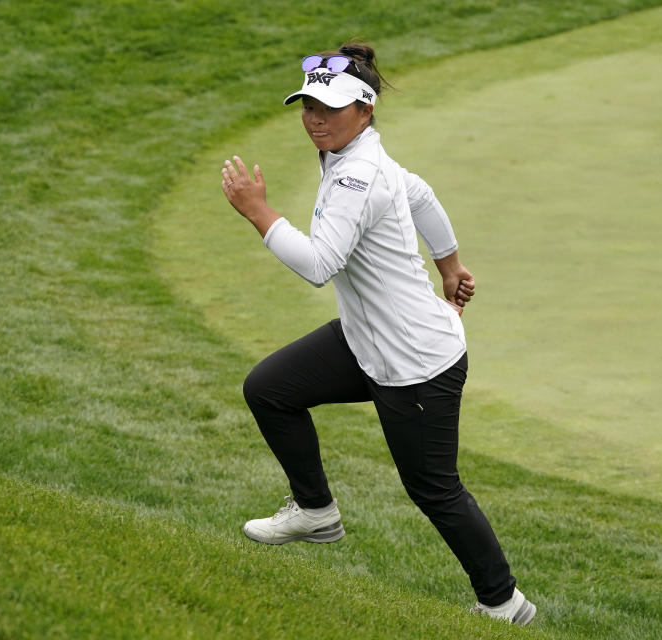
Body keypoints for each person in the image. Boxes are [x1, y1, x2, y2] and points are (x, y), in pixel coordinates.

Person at [220, 42, 536, 626]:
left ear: (364, 109)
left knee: (434, 490)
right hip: (369, 340)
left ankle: (504, 603)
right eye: (308, 105)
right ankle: (315, 512)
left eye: (330, 109)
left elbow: (319, 264)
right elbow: (420, 194)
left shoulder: (356, 174)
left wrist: (257, 211)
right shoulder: (362, 156)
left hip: (414, 362)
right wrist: (450, 266)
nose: (315, 118)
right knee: (269, 388)